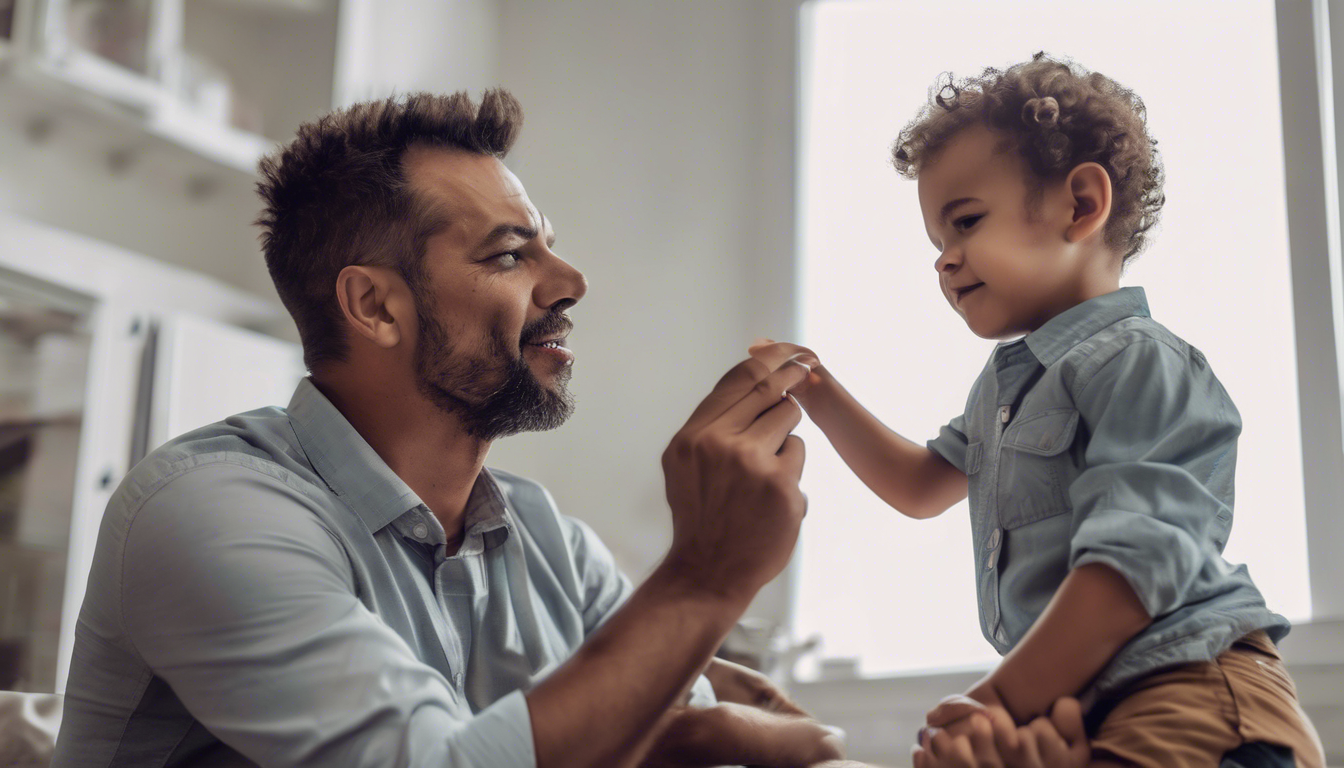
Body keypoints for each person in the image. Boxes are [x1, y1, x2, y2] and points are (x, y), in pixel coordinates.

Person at [52, 89, 846, 768]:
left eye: (550, 249)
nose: (570, 284)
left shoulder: (550, 546)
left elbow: (681, 731)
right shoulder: (207, 512)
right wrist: (705, 574)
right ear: (375, 306)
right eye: (509, 257)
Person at [751, 53, 1326, 767]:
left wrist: (998, 700)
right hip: (1090, 704)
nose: (944, 260)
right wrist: (818, 387)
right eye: (936, 242)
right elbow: (920, 484)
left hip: (1189, 691)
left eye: (964, 223)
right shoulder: (1005, 386)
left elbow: (1131, 569)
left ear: (1081, 205)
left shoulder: (1139, 361)